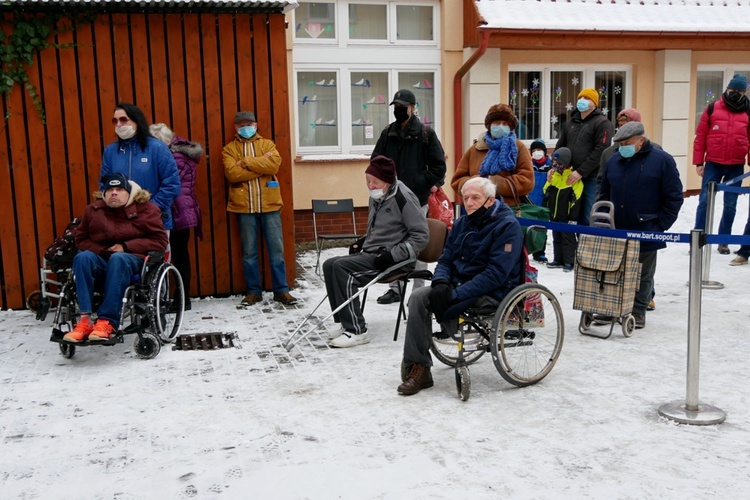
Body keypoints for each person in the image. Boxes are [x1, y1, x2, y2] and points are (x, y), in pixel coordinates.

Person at [398, 177, 524, 395]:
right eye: (465, 198)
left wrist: (455, 294)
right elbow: (446, 259)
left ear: (490, 200)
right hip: (459, 283)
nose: (469, 203)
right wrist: (440, 283)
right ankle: (419, 368)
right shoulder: (462, 223)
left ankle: (448, 321)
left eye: (475, 197)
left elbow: (495, 275)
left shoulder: (507, 226)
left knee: (446, 301)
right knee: (419, 297)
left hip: (493, 290)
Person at [323, 156, 429, 348]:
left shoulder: (403, 197)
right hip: (375, 253)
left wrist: (392, 255)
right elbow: (379, 229)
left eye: (375, 182)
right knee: (329, 264)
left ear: (388, 181)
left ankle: (357, 330)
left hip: (395, 259)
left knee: (342, 268)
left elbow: (420, 236)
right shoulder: (378, 196)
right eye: (368, 182)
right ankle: (345, 322)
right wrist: (363, 241)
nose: (371, 186)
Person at [62, 174, 169, 342]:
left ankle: (106, 321)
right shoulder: (93, 211)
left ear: (129, 193)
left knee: (118, 259)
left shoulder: (146, 210)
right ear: (103, 194)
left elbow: (160, 241)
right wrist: (103, 251)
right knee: (82, 258)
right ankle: (84, 321)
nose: (114, 193)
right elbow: (81, 240)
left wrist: (125, 247)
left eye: (119, 190)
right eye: (110, 190)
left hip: (132, 260)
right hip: (103, 258)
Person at [597, 122, 683, 329]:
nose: (622, 147)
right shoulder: (614, 160)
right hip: (616, 227)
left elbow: (674, 197)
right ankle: (612, 307)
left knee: (642, 273)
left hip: (647, 226)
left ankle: (638, 310)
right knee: (612, 270)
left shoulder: (662, 160)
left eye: (627, 143)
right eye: (620, 144)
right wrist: (602, 219)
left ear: (641, 140)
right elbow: (604, 192)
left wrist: (661, 225)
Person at [371, 89, 446, 305]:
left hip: (416, 199)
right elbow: (376, 161)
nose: (399, 110)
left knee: (418, 242)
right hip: (391, 200)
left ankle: (417, 289)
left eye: (402, 107)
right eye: (396, 107)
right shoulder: (388, 133)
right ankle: (396, 288)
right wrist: (382, 183)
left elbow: (439, 166)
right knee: (394, 241)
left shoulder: (425, 133)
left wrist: (422, 183)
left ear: (413, 108)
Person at [223, 111, 297, 307]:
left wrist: (245, 162)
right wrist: (260, 164)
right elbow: (232, 173)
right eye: (241, 125)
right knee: (249, 252)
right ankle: (253, 292)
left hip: (270, 206)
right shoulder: (229, 149)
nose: (245, 127)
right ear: (235, 127)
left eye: (249, 124)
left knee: (276, 251)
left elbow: (273, 166)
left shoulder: (268, 144)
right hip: (244, 208)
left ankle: (281, 291)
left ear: (256, 125)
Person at [597, 107, 661, 311]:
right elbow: (603, 185)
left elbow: (671, 194)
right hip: (618, 222)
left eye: (627, 126)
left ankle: (642, 304)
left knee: (644, 268)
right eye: (620, 126)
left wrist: (662, 223)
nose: (622, 129)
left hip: (646, 223)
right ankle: (619, 303)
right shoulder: (611, 155)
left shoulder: (658, 155)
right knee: (618, 266)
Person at [693, 74, 750, 255]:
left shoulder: (748, 111)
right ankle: (698, 237)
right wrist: (698, 162)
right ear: (727, 89)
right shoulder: (712, 109)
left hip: (736, 165)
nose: (737, 94)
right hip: (713, 163)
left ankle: (723, 240)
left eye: (741, 91)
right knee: (704, 201)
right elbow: (700, 137)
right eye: (734, 90)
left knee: (730, 205)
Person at [100, 103, 181, 231]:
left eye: (123, 120)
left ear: (137, 121)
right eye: (115, 121)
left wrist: (150, 209)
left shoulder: (158, 148)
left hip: (154, 221)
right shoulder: (110, 151)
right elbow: (104, 184)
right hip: (120, 221)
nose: (119, 125)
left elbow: (172, 184)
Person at [150, 123, 204, 311]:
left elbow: (168, 183)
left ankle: (180, 299)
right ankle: (181, 298)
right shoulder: (182, 153)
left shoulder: (174, 157)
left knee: (176, 255)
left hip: (176, 210)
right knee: (180, 255)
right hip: (183, 209)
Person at [451, 104, 534, 208]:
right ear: (489, 125)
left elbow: (527, 181)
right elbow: (457, 181)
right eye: (497, 123)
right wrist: (476, 183)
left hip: (507, 209)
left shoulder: (518, 147)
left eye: (505, 124)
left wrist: (493, 183)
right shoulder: (475, 149)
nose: (501, 126)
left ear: (510, 127)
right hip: (476, 209)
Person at [555, 88, 614, 226]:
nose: (582, 100)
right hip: (569, 176)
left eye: (587, 98)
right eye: (580, 97)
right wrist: (556, 166)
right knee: (569, 216)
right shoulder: (571, 123)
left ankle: (588, 246)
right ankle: (572, 247)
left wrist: (581, 172)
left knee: (588, 217)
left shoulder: (602, 123)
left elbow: (600, 150)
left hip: (590, 178)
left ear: (594, 103)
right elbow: (560, 146)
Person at [543, 147, 581, 272]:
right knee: (556, 237)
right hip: (554, 214)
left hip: (567, 216)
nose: (556, 165)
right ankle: (558, 259)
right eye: (554, 163)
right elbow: (545, 191)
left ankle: (569, 261)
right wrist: (548, 182)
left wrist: (573, 218)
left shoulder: (573, 178)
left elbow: (577, 199)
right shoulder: (553, 176)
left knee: (568, 238)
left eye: (559, 163)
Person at [528, 138, 552, 263]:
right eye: (535, 150)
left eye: (539, 150)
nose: (537, 152)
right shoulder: (527, 165)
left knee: (542, 228)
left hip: (543, 201)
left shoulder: (551, 165)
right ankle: (525, 251)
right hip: (529, 201)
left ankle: (539, 252)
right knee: (527, 227)